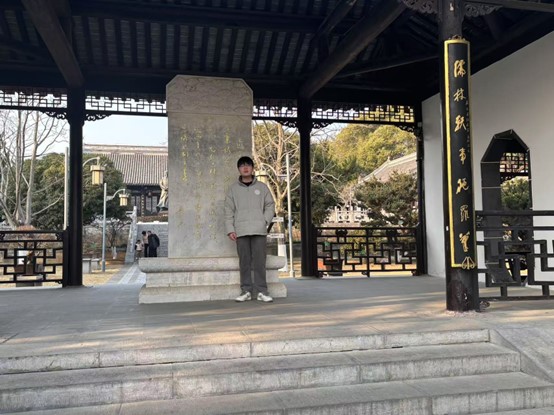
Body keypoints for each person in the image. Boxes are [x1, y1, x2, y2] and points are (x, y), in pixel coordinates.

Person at [225, 156, 275, 303]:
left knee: (260, 262)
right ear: (238, 169)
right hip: (241, 230)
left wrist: (264, 220)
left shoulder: (262, 187)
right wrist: (230, 229)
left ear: (253, 168)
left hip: (259, 230)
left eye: (248, 165)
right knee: (244, 262)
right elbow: (228, 210)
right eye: (242, 165)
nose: (245, 168)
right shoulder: (233, 190)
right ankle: (246, 291)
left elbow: (270, 205)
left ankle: (262, 291)